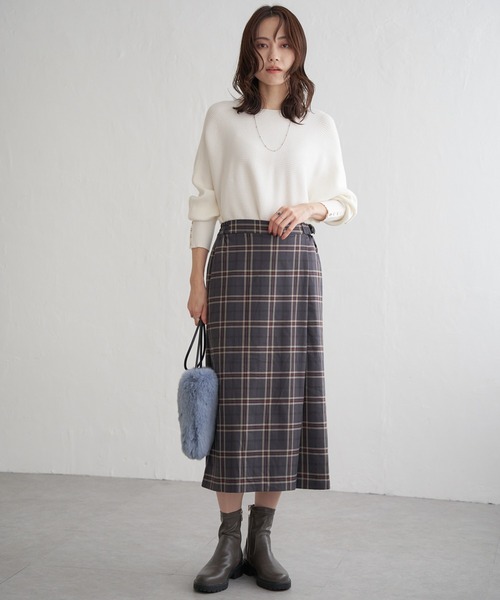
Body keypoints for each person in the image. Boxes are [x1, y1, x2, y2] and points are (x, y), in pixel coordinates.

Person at [186, 5, 357, 594]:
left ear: (298, 51)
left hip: (294, 268)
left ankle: (261, 539)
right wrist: (196, 279)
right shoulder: (221, 119)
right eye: (261, 45)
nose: (273, 55)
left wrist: (309, 207)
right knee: (233, 402)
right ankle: (227, 542)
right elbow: (204, 202)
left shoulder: (320, 125)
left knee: (283, 398)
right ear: (248, 53)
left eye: (283, 44)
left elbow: (345, 202)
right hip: (234, 263)